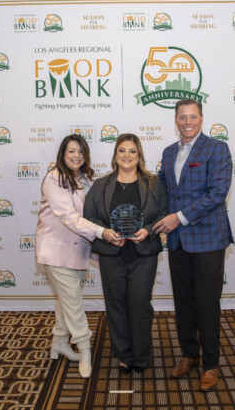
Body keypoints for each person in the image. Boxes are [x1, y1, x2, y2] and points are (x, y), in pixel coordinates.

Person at [152, 99, 233, 391]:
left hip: (208, 238)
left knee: (207, 303)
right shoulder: (168, 151)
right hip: (177, 241)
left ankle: (211, 363)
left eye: (193, 117)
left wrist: (179, 218)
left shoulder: (217, 148)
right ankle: (189, 355)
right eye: (182, 117)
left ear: (201, 118)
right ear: (176, 120)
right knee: (184, 301)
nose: (187, 122)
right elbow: (162, 188)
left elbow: (217, 193)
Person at [35, 134, 121, 378]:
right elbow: (69, 217)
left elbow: (98, 210)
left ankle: (59, 343)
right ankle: (84, 349)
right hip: (56, 251)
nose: (76, 156)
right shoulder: (54, 178)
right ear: (62, 154)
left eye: (80, 152)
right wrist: (102, 232)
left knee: (65, 299)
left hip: (78, 251)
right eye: (71, 151)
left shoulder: (87, 178)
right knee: (73, 302)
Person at [84, 133, 168, 373]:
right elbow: (89, 217)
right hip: (112, 255)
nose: (127, 155)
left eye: (132, 151)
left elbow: (164, 213)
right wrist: (104, 233)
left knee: (140, 305)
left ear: (139, 154)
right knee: (116, 305)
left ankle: (141, 356)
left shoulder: (154, 183)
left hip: (143, 255)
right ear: (115, 155)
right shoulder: (101, 185)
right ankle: (123, 354)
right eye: (122, 150)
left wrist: (149, 230)